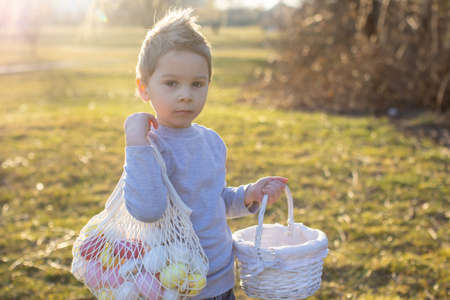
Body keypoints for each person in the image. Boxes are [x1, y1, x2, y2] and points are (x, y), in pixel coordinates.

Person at [123, 8, 288, 300]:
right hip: (173, 282)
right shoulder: (149, 146)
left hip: (220, 276)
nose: (186, 94)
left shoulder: (212, 142)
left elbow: (214, 201)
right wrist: (136, 142)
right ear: (143, 87)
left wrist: (248, 194)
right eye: (171, 83)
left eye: (197, 84)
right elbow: (147, 210)